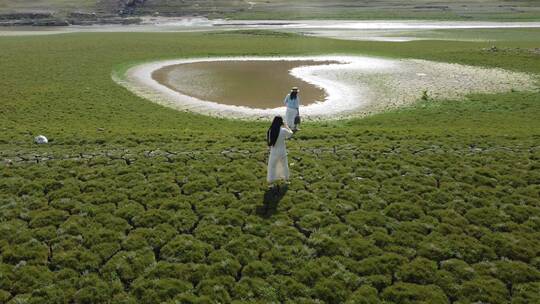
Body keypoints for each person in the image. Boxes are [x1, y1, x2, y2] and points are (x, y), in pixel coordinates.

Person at [267, 116, 294, 187]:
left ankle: (271, 183)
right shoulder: (283, 130)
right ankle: (286, 180)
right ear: (281, 123)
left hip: (274, 152)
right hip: (282, 152)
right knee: (284, 166)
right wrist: (286, 126)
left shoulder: (270, 130)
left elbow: (269, 142)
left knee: (272, 167)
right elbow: (291, 134)